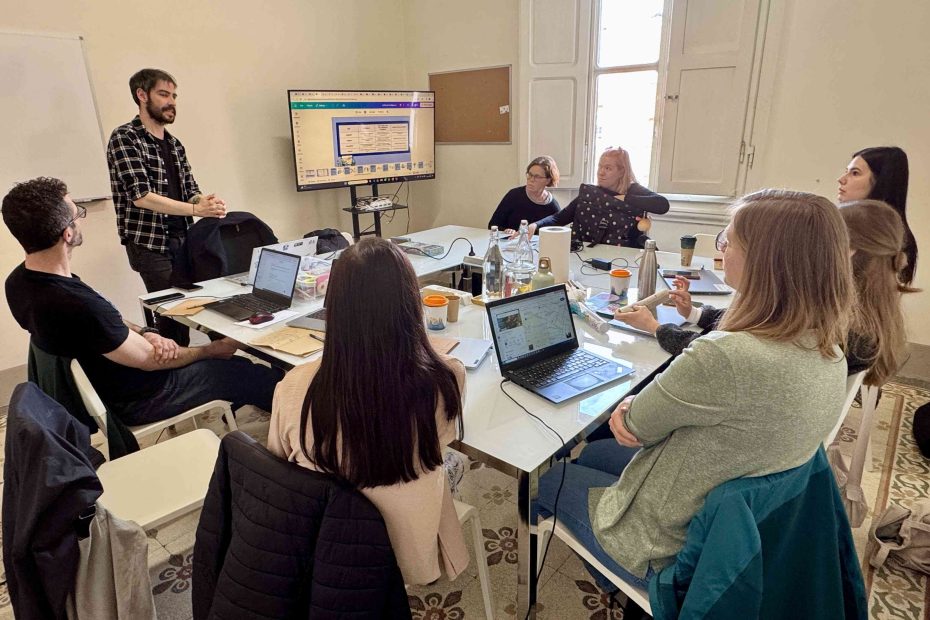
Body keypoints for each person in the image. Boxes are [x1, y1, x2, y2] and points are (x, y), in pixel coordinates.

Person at [537, 189, 853, 591]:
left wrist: (631, 404)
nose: (721, 251)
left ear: (763, 261)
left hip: (670, 551)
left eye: (729, 241)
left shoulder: (724, 356)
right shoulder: (830, 351)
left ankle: (612, 574)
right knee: (594, 454)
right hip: (732, 523)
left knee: (552, 477)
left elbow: (634, 426)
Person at [267, 237, 469, 585]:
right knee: (452, 464)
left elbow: (279, 463)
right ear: (411, 304)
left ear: (334, 307)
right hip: (409, 548)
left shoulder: (294, 387)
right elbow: (442, 442)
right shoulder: (447, 375)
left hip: (327, 548)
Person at [2, 177, 280, 426]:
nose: (81, 219)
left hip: (110, 383)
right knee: (244, 372)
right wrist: (211, 350)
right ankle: (294, 428)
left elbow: (107, 325)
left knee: (227, 367)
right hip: (139, 399)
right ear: (68, 233)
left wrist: (146, 332)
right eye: (78, 214)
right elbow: (150, 361)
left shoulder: (19, 282)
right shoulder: (77, 304)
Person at [618, 200, 917, 386]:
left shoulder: (835, 332)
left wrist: (655, 327)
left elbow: (719, 359)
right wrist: (696, 313)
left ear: (845, 252)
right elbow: (762, 327)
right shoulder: (854, 317)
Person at [107, 68, 228, 345]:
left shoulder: (174, 144)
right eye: (163, 94)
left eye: (174, 96)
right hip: (150, 244)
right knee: (172, 318)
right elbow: (141, 196)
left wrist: (204, 202)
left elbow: (190, 189)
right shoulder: (125, 137)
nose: (171, 102)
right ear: (142, 95)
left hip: (183, 238)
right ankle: (176, 367)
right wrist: (196, 210)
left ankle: (210, 361)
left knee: (205, 307)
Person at [523, 147, 669, 247]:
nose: (601, 172)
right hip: (588, 253)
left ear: (622, 171)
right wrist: (535, 225)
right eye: (600, 166)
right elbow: (559, 218)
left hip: (624, 256)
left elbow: (662, 205)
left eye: (608, 168)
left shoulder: (633, 189)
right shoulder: (591, 194)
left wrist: (622, 198)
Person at [837, 146, 918, 286]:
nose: (841, 179)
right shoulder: (837, 226)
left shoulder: (892, 242)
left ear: (881, 181)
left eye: (855, 173)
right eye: (846, 172)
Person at [488, 156, 561, 232]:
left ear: (548, 180)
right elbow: (492, 225)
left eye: (537, 176)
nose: (531, 179)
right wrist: (506, 231)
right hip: (510, 239)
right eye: (530, 174)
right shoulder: (514, 195)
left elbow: (557, 234)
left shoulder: (552, 206)